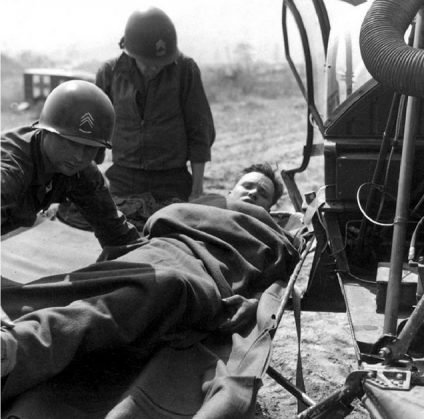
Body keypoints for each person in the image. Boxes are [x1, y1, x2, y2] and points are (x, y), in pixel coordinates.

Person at [0, 166, 300, 416]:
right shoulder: (201, 205)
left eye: (261, 194)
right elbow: (159, 223)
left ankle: (18, 348)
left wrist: (256, 301)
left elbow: (272, 279)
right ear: (230, 191)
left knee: (128, 299)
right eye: (246, 186)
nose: (251, 193)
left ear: (270, 208)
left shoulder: (268, 231)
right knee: (74, 288)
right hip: (154, 254)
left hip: (192, 276)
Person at [96, 6, 215, 220]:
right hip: (123, 179)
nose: (155, 68)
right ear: (129, 52)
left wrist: (197, 190)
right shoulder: (110, 72)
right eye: (148, 63)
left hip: (172, 181)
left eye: (162, 63)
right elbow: (93, 130)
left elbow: (200, 131)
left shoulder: (186, 70)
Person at [1, 80, 140, 247]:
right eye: (71, 143)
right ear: (45, 132)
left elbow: (116, 233)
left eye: (89, 147)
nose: (79, 156)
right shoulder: (10, 170)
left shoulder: (81, 171)